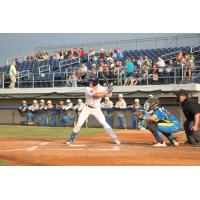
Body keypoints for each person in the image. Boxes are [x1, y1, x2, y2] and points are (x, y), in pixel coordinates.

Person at [65, 76, 120, 145]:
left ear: (95, 83)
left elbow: (109, 95)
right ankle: (71, 138)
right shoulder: (87, 88)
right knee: (79, 123)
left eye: (91, 82)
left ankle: (114, 138)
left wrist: (111, 90)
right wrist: (107, 91)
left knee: (104, 123)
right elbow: (96, 95)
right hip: (86, 108)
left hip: (96, 109)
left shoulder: (102, 88)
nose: (89, 83)